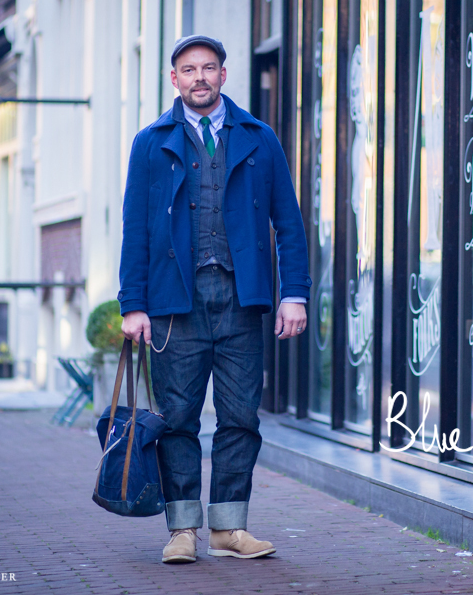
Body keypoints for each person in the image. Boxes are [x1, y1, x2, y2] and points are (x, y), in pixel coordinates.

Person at [118, 35, 311, 564]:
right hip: (173, 304)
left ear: (224, 75)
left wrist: (294, 292)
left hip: (241, 299)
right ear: (174, 78)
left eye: (208, 68)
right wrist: (131, 304)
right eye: (188, 69)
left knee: (240, 417)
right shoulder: (150, 142)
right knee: (178, 418)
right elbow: (135, 228)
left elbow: (288, 223)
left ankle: (228, 527)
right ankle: (182, 528)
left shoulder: (259, 137)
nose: (199, 77)